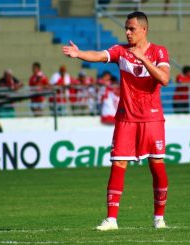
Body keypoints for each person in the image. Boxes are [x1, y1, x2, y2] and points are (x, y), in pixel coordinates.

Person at [63, 11, 170, 230]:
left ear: (144, 30)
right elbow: (99, 55)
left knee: (157, 163)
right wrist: (79, 53)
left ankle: (159, 218)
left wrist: (144, 59)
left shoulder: (159, 51)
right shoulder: (121, 51)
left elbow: (164, 79)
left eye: (132, 28)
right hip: (126, 119)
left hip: (152, 119)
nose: (127, 32)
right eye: (126, 28)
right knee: (118, 164)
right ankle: (112, 219)